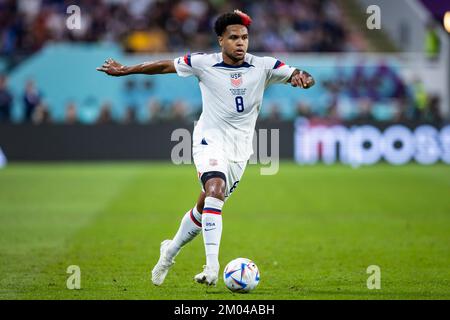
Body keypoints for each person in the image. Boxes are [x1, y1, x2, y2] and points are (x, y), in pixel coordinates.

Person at [97, 10, 315, 286]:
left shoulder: (264, 66)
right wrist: (126, 69)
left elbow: (300, 73)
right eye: (234, 37)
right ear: (220, 40)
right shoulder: (201, 63)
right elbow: (164, 66)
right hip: (208, 139)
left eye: (245, 37)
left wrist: (304, 78)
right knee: (215, 189)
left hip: (239, 151)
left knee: (204, 209)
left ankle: (169, 251)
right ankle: (212, 268)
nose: (241, 43)